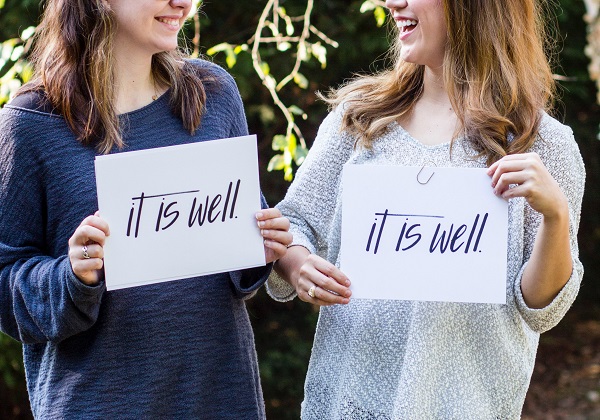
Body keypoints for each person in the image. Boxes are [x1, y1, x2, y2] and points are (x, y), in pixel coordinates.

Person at [267, 0, 585, 418]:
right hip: (349, 400)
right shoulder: (359, 119)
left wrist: (555, 217)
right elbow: (295, 223)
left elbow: (540, 307)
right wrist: (298, 265)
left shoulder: (542, 143)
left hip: (467, 407)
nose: (392, 3)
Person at [0, 0, 292, 418]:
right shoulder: (30, 123)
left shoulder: (214, 93)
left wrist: (260, 249)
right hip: (97, 405)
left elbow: (239, 264)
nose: (184, 3)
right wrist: (73, 276)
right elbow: (6, 282)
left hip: (221, 400)